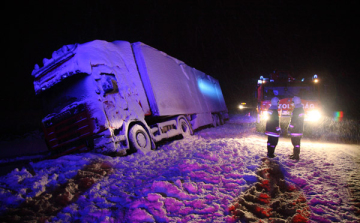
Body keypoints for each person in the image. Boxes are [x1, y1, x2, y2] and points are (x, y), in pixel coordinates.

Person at [288, 96, 305, 160]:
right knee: (296, 143)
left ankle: (296, 156)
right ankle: (295, 154)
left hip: (295, 129)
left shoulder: (297, 110)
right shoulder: (300, 109)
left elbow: (294, 120)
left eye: (293, 102)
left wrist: (290, 128)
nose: (292, 103)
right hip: (299, 129)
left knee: (295, 142)